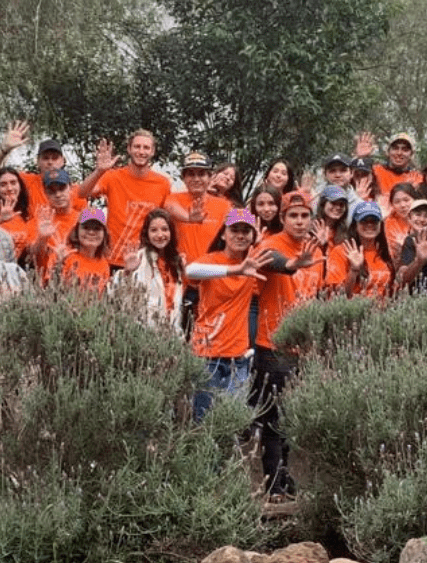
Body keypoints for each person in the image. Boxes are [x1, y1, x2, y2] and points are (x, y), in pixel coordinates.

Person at [250, 190, 323, 501]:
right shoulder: (270, 245)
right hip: (273, 344)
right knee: (274, 418)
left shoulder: (317, 252)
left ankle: (285, 476)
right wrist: (295, 262)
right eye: (293, 215)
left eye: (304, 215)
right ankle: (273, 483)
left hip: (303, 348)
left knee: (292, 417)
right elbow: (277, 262)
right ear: (282, 218)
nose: (299, 220)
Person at [185, 210, 271, 421]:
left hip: (238, 357)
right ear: (223, 234)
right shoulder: (212, 260)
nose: (240, 236)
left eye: (246, 231)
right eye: (234, 230)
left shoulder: (254, 263)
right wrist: (235, 271)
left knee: (231, 421)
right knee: (203, 421)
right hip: (207, 353)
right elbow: (190, 271)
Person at [78, 130, 172, 269]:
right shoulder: (113, 176)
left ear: (152, 152)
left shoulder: (162, 183)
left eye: (146, 148)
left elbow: (166, 221)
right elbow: (82, 193)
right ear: (129, 149)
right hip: (112, 258)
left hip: (145, 261)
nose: (141, 151)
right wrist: (99, 171)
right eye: (137, 146)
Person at [0, 121, 87, 212]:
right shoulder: (28, 181)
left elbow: (87, 223)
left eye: (55, 158)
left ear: (63, 161)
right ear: (37, 161)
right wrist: (4, 150)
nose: (50, 162)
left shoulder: (76, 190)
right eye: (45, 158)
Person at [117, 208, 185, 332]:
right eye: (154, 230)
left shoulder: (176, 261)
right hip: (146, 332)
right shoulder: (139, 258)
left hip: (172, 332)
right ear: (146, 233)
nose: (160, 235)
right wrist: (127, 272)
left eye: (165, 229)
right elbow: (121, 297)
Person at [163, 153, 231, 266]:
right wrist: (189, 218)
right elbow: (169, 207)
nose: (196, 179)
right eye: (191, 174)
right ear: (183, 178)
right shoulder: (173, 198)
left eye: (201, 174)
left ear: (210, 177)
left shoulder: (224, 205)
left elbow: (242, 223)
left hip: (211, 272)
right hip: (180, 271)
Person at [28, 168, 84, 279]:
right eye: (52, 191)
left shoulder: (84, 218)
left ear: (71, 188)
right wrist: (42, 237)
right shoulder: (37, 221)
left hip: (81, 281)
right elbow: (31, 256)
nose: (58, 195)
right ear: (45, 193)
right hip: (48, 285)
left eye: (62, 189)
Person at [334, 200, 395, 300]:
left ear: (381, 225)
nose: (369, 225)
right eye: (364, 221)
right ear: (355, 225)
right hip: (354, 313)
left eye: (374, 221)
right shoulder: (341, 252)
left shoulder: (385, 252)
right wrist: (353, 270)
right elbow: (337, 296)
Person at [56, 206, 114, 289]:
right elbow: (50, 289)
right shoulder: (65, 257)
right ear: (77, 231)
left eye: (97, 229)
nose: (91, 232)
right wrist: (58, 264)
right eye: (86, 227)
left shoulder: (104, 264)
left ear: (104, 235)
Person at [0, 168, 36, 264]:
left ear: (20, 186)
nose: (9, 188)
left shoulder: (29, 213)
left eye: (13, 183)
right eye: (3, 185)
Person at [370, 132, 423, 199]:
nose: (399, 153)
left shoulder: (416, 177)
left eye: (405, 149)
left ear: (411, 154)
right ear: (388, 152)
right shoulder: (376, 170)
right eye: (395, 148)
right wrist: (361, 157)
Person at [384, 182, 418, 256]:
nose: (402, 205)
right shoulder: (389, 223)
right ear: (392, 204)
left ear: (415, 199)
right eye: (397, 202)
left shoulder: (423, 217)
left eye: (406, 200)